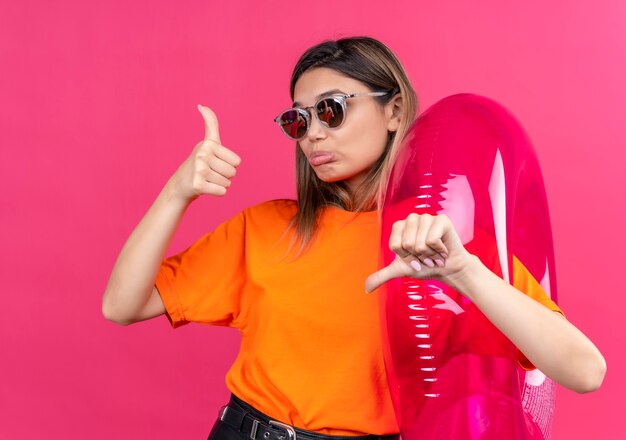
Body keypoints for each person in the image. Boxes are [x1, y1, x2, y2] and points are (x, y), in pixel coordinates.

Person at [102, 36, 606, 440]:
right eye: (298, 120)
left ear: (394, 111)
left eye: (332, 110)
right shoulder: (266, 228)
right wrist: (177, 193)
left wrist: (463, 272)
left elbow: (586, 371)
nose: (313, 135)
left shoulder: (440, 244)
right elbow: (122, 305)